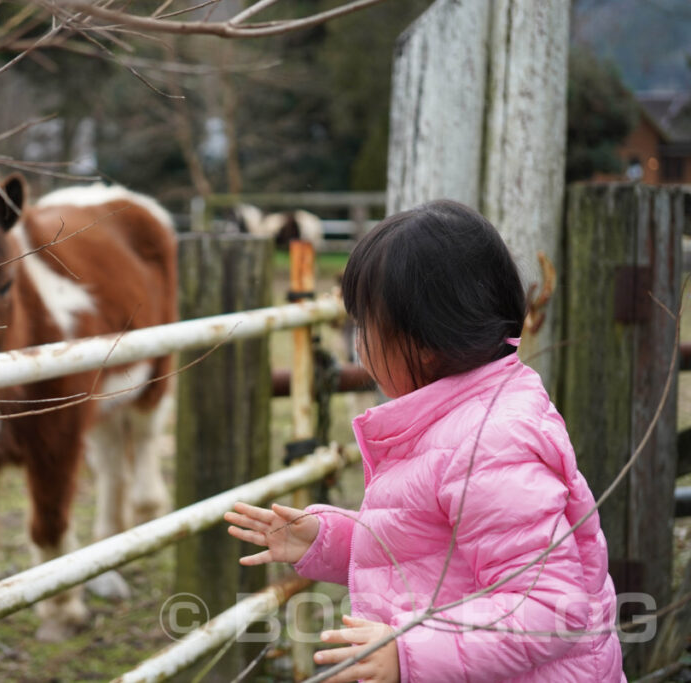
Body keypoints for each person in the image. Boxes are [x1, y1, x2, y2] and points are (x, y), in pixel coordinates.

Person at [225, 200, 625, 683]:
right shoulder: (454, 422)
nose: (358, 345)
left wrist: (407, 655)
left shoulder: (490, 444)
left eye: (365, 327)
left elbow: (547, 610)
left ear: (425, 341)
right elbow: (426, 545)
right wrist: (327, 539)